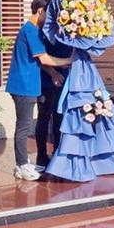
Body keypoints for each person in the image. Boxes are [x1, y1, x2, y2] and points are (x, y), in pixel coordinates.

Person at [6, 0, 72, 181]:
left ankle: (25, 163)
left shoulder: (33, 30)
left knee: (25, 124)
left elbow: (41, 61)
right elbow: (44, 58)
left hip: (29, 85)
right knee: (24, 126)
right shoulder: (30, 30)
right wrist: (68, 60)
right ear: (41, 11)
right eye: (49, 13)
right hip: (23, 85)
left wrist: (58, 67)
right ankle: (21, 165)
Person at [35, 35, 69, 168]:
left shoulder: (68, 35)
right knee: (44, 118)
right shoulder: (44, 34)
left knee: (59, 117)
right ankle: (41, 155)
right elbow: (41, 59)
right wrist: (53, 73)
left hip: (64, 82)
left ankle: (58, 152)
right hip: (46, 83)